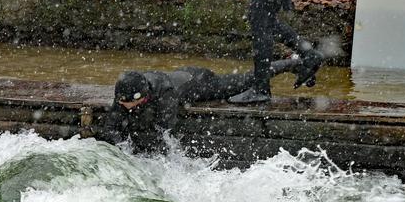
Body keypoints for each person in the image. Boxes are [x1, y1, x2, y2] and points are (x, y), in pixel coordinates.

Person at [96, 60, 300, 150]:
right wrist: (122, 147)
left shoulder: (165, 95)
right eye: (120, 102)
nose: (122, 106)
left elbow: (166, 130)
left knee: (245, 80)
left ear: (141, 97)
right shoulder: (125, 92)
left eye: (127, 103)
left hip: (201, 82)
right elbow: (111, 126)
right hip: (181, 74)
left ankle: (292, 63)